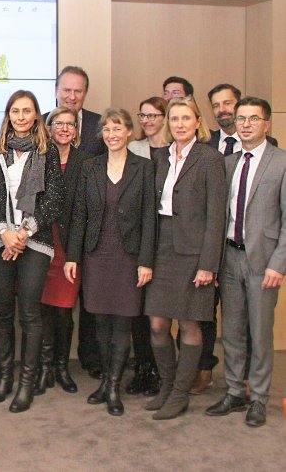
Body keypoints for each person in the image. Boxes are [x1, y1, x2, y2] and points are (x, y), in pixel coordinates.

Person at [64, 108, 156, 416]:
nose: (112, 135)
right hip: (96, 256)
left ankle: (114, 387)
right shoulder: (90, 167)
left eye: (118, 129)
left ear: (129, 132)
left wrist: (145, 261)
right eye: (107, 130)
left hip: (128, 258)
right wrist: (73, 256)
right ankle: (105, 381)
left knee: (123, 323)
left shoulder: (144, 168)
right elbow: (79, 215)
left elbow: (149, 219)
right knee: (100, 323)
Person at [0, 90, 62, 412]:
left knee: (29, 311)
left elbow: (54, 198)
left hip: (35, 241)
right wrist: (5, 233)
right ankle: (4, 378)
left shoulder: (47, 152)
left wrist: (23, 234)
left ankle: (26, 383)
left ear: (36, 115)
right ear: (8, 115)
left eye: (27, 111)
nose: (21, 116)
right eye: (15, 111)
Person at [206, 97, 286, 427]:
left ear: (267, 124)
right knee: (233, 331)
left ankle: (260, 397)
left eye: (254, 119)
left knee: (260, 332)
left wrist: (277, 264)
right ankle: (235, 391)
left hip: (262, 262)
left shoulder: (281, 163)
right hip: (229, 256)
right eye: (242, 119)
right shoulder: (229, 163)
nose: (247, 124)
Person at [144, 97, 226, 420]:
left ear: (197, 122)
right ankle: (167, 386)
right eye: (174, 119)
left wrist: (209, 264)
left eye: (185, 118)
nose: (179, 124)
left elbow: (216, 217)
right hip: (163, 246)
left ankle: (180, 393)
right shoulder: (160, 158)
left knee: (190, 322)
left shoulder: (210, 160)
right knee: (158, 322)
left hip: (194, 252)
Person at [52, 66, 104, 377]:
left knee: (90, 301)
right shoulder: (43, 122)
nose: (72, 96)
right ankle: (53, 362)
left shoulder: (100, 125)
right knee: (56, 306)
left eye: (78, 91)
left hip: (91, 230)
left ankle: (90, 357)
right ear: (57, 89)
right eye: (66, 90)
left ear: (85, 93)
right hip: (52, 231)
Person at [36, 106, 86, 395]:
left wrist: (75, 254)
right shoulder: (37, 158)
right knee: (42, 310)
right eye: (59, 123)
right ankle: (44, 368)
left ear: (76, 130)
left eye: (71, 124)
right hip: (40, 243)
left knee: (64, 312)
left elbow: (84, 211)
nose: (65, 128)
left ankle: (62, 367)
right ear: (49, 127)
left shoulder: (86, 162)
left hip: (69, 247)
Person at [125, 96, 167, 397]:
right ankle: (142, 369)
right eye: (143, 115)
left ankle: (164, 371)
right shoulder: (132, 149)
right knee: (138, 310)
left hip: (169, 240)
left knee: (162, 312)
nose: (148, 120)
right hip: (136, 240)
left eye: (154, 115)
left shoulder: (177, 151)